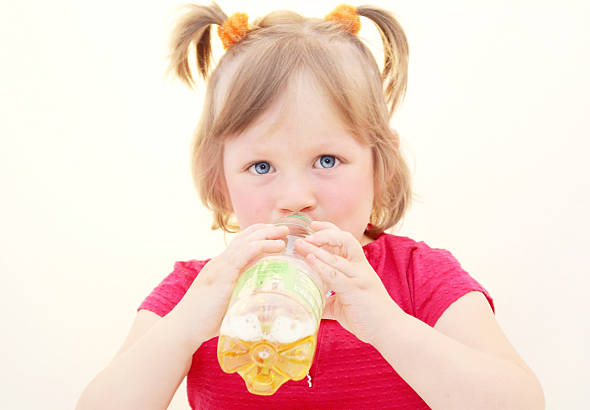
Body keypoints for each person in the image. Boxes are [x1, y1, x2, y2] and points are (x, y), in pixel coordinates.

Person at [77, 2, 545, 409]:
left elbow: (521, 402)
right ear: (219, 179)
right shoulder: (197, 291)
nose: (296, 197)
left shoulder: (418, 278)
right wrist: (184, 328)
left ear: (379, 165)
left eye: (326, 160)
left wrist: (386, 325)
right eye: (261, 167)